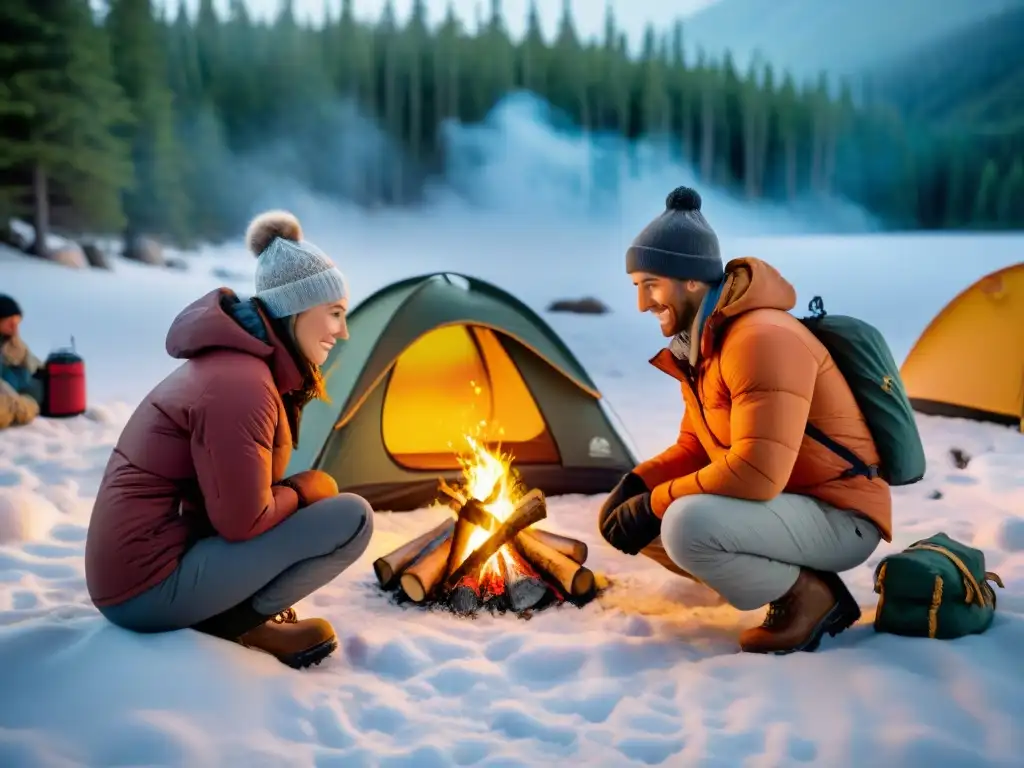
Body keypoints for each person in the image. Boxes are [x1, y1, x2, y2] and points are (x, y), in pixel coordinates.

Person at [599, 186, 892, 655]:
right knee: (637, 518)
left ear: (691, 280)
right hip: (788, 504)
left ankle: (808, 596)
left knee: (683, 524)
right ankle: (769, 574)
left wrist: (655, 502)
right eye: (636, 286)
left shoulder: (760, 339)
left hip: (839, 514)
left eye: (650, 284)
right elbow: (697, 447)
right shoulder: (703, 344)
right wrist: (638, 484)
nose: (642, 302)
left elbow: (756, 473)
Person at [85, 210, 373, 669]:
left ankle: (229, 613)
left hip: (139, 572)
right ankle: (235, 624)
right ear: (296, 311)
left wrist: (300, 492)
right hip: (145, 589)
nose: (343, 331)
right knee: (351, 518)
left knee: (320, 495)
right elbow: (242, 521)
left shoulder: (240, 367)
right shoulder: (242, 385)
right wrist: (302, 491)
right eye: (334, 314)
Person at [0, 294, 43, 430]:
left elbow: (32, 362)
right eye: (10, 322)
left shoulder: (12, 342)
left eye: (17, 322)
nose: (15, 327)